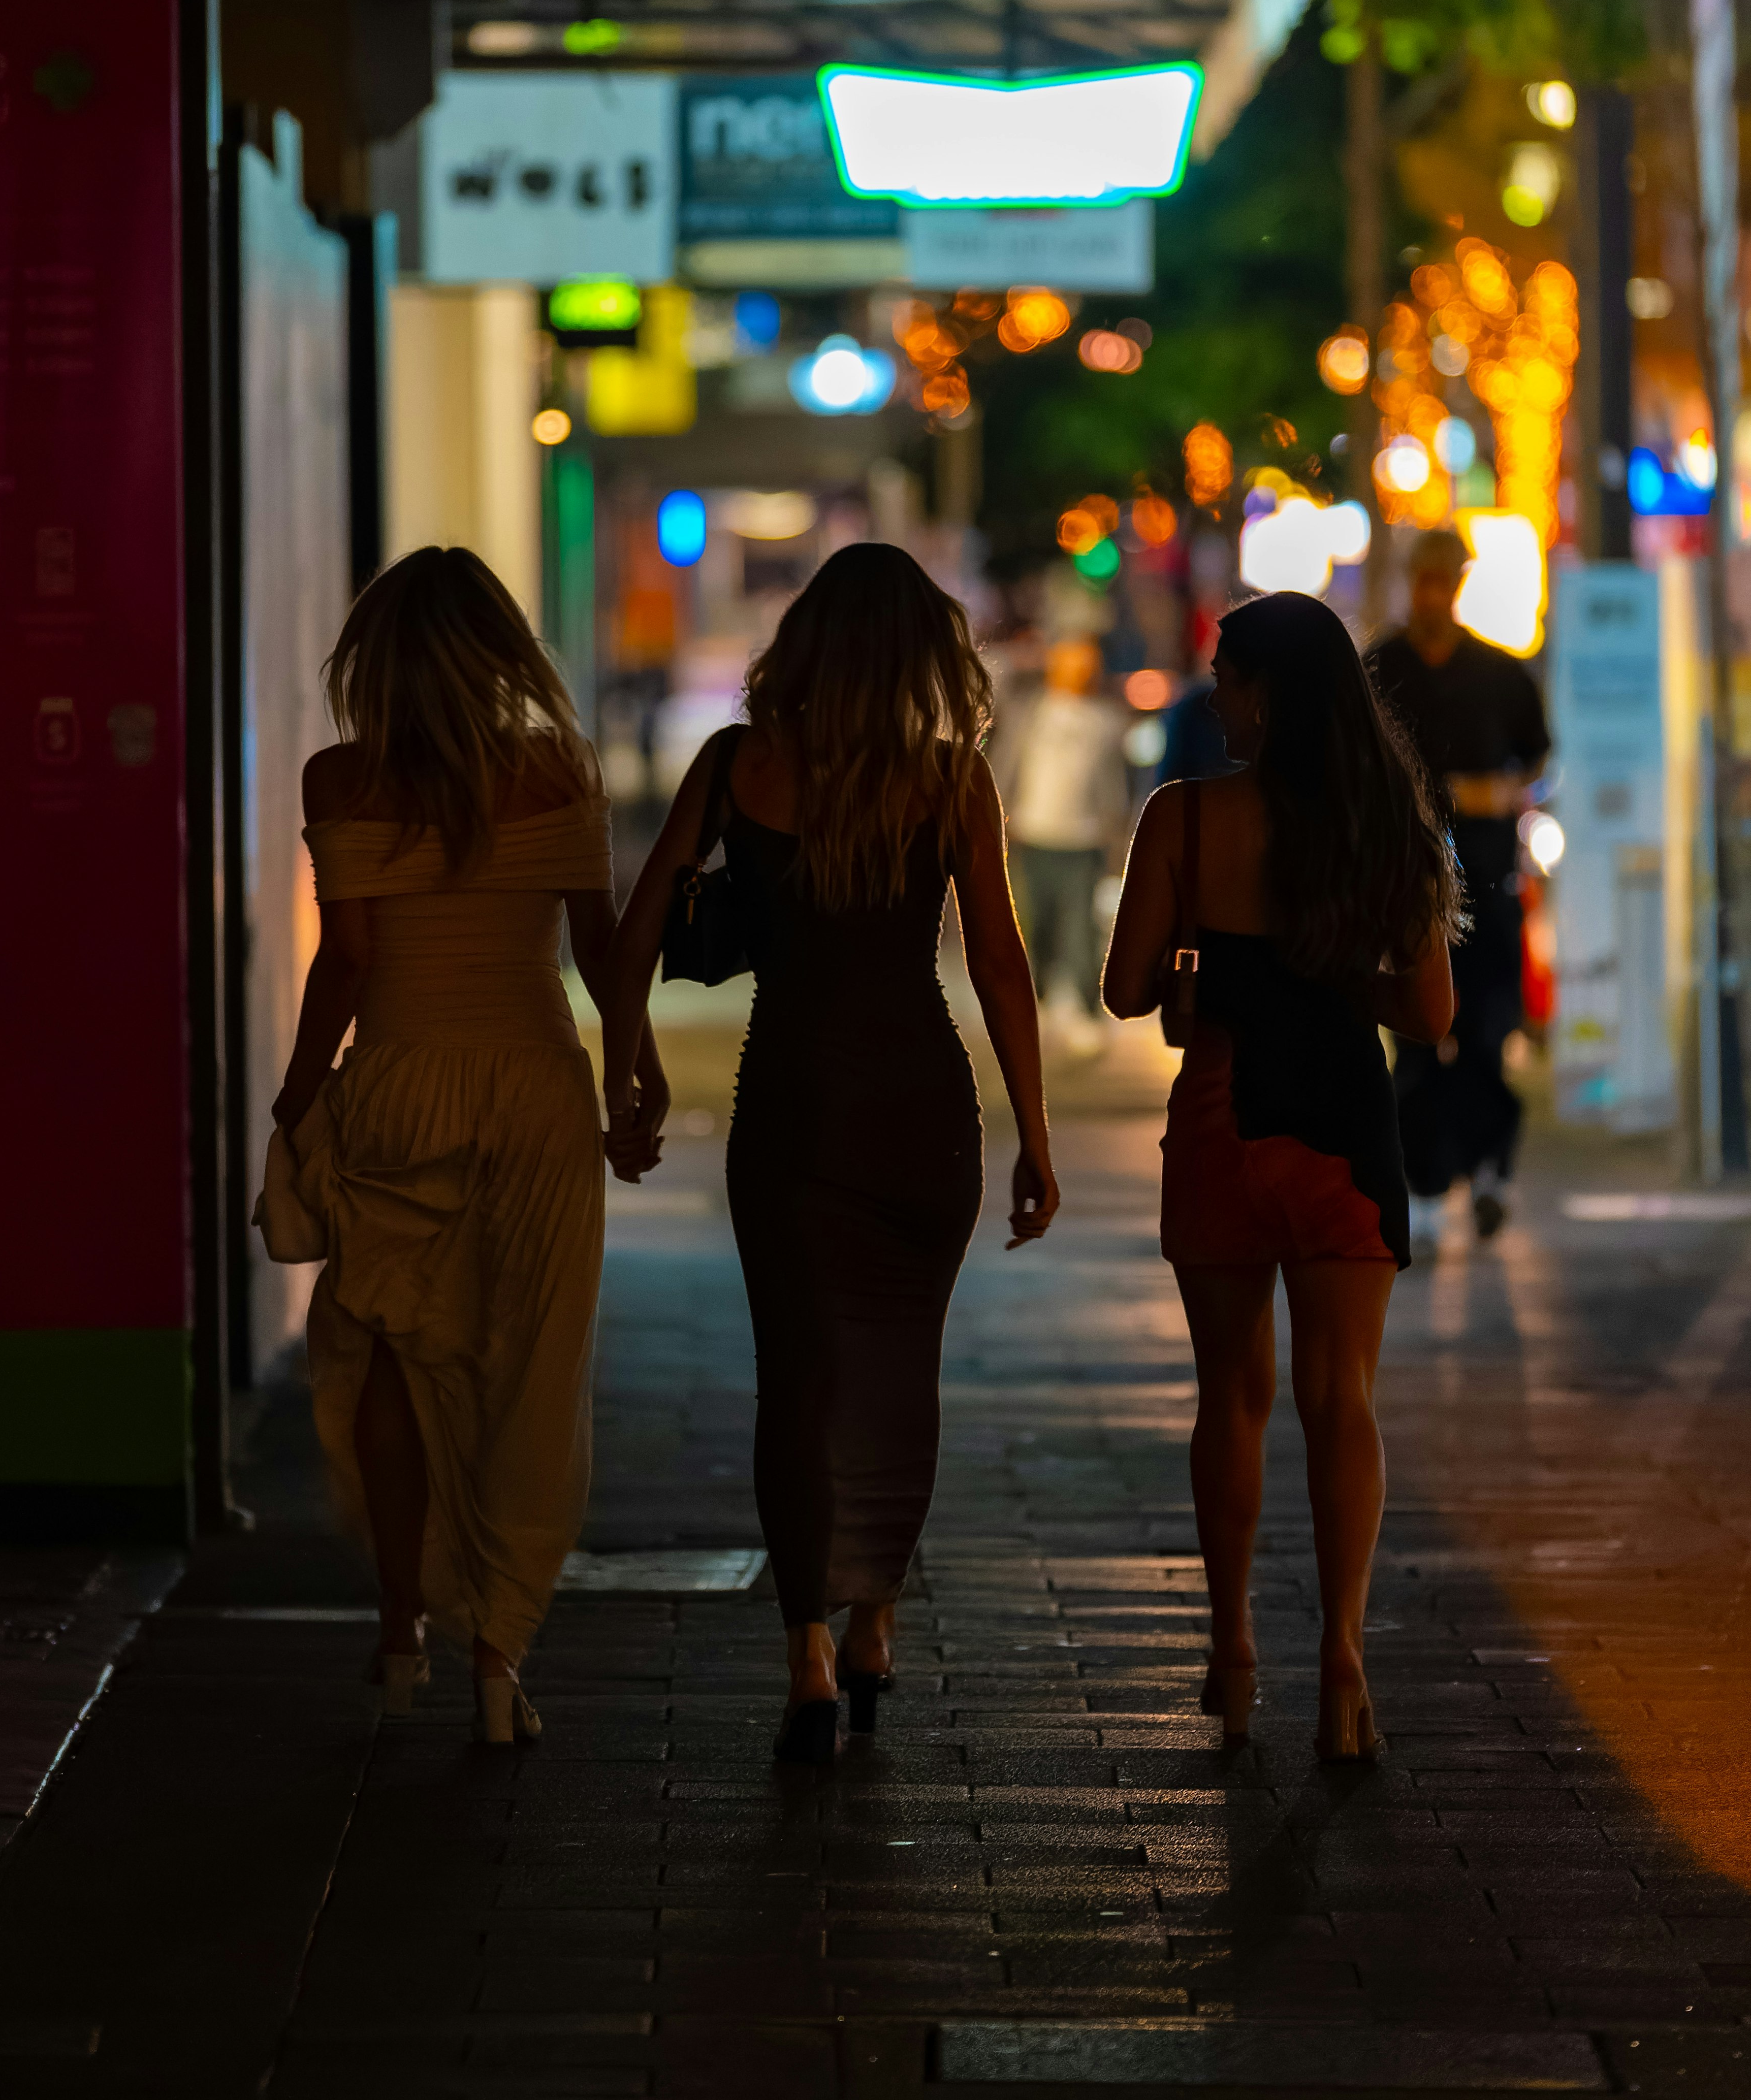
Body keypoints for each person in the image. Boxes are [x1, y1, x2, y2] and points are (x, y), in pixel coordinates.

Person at [600, 543, 1059, 1766]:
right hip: (921, 1102)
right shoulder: (952, 780)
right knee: (898, 1370)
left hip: (792, 1104)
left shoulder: (735, 766)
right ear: (923, 655)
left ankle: (804, 1648)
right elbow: (1002, 963)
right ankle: (875, 1621)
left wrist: (626, 1076)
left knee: (795, 1380)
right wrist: (1035, 1133)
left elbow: (628, 936)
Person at [263, 546, 668, 1744]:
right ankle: (499, 1655)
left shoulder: (342, 774)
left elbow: (349, 961)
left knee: (390, 1351)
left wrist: (295, 1098)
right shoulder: (555, 765)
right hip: (536, 1084)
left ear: (373, 658)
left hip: (400, 1082)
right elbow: (596, 947)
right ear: (500, 649)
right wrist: (634, 1064)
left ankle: (403, 1630)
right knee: (531, 1366)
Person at [1103, 592, 1458, 1761]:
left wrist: (1214, 973)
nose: (1215, 693)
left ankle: (1232, 1643)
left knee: (1232, 1396)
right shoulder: (1381, 827)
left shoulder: (1184, 819)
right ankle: (1344, 1652)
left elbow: (1124, 987)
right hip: (1343, 1134)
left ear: (1268, 690)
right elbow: (1430, 1011)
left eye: (1228, 674)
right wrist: (1332, 974)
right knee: (1339, 1394)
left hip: (1218, 1120)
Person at [1368, 528, 1551, 1246]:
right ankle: (1423, 1178)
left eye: (1446, 578)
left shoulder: (1500, 676)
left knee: (1484, 1029)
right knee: (1414, 1037)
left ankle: (1487, 1169)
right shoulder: (1381, 667)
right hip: (1404, 888)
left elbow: (1535, 761)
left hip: (1484, 882)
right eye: (1425, 578)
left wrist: (1492, 794)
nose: (1434, 593)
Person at [991, 635, 1129, 1026]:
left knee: (1082, 928)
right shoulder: (1030, 712)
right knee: (1034, 924)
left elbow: (1115, 782)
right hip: (1032, 834)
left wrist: (1115, 834)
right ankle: (1034, 998)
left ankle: (1089, 1007)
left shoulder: (1106, 720)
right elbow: (1007, 763)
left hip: (1084, 839)